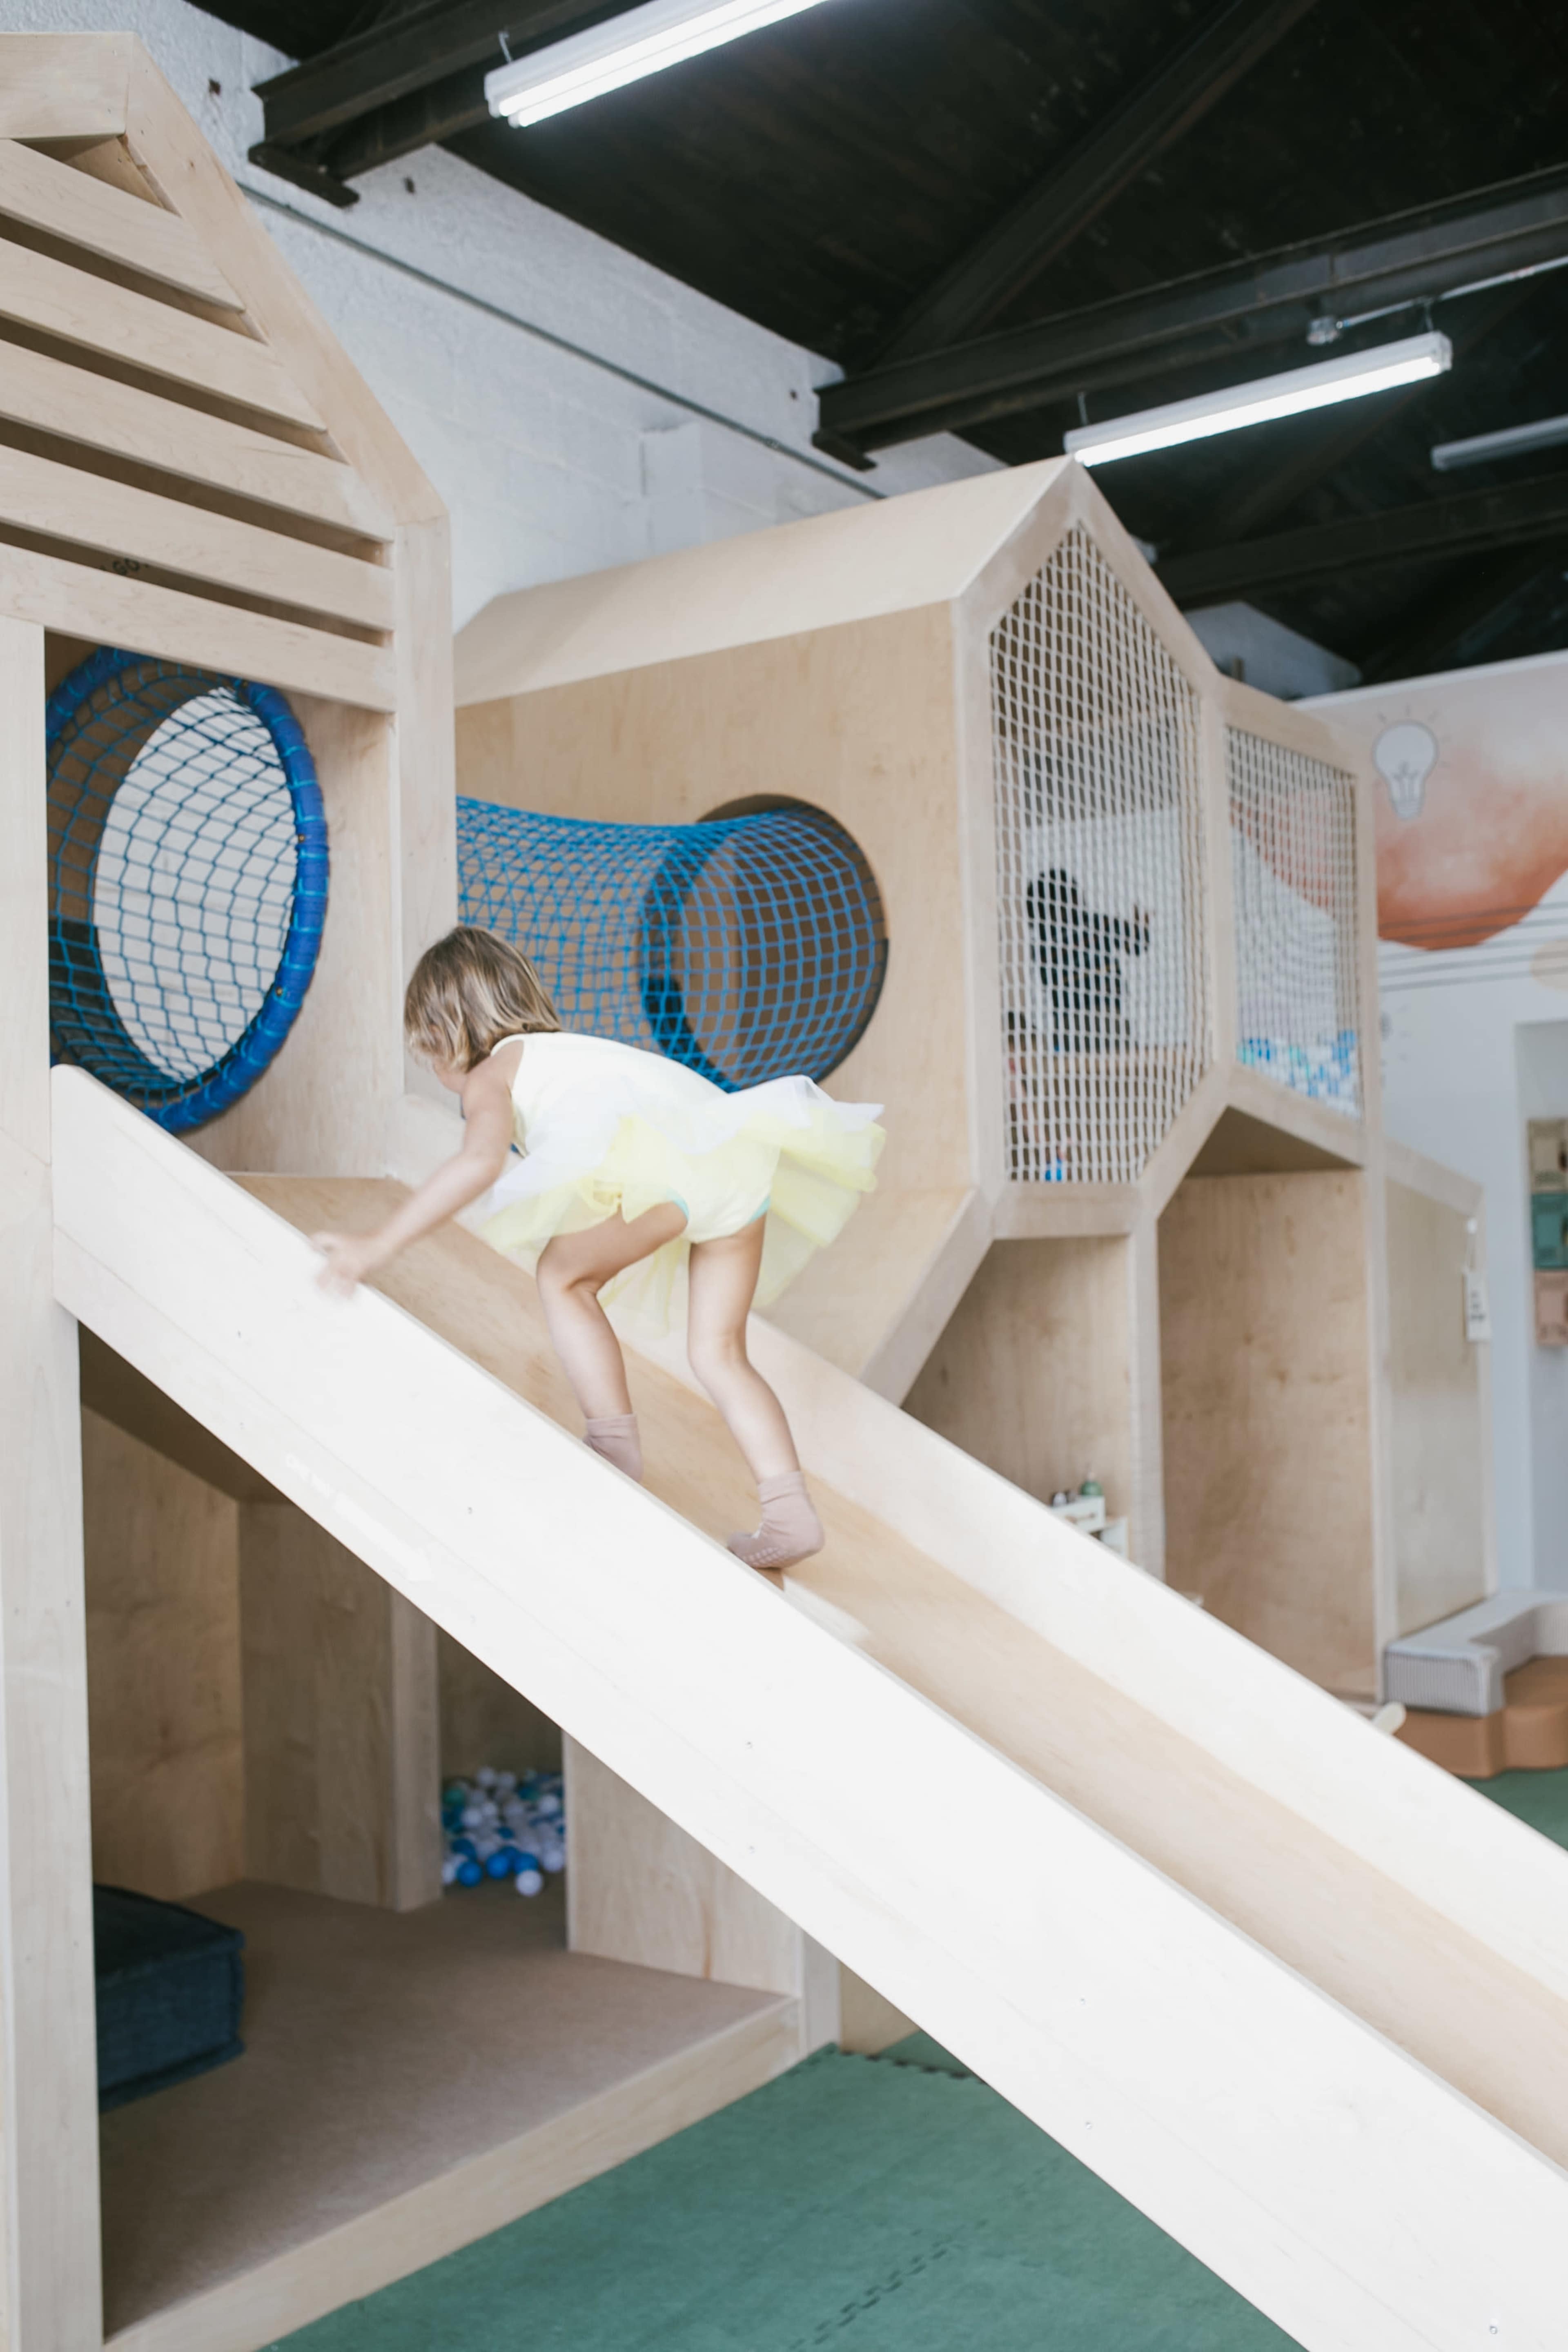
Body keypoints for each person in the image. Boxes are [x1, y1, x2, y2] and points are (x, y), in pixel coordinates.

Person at [311, 926, 883, 1572]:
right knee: (718, 1351)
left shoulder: (491, 1074)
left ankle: (613, 1444)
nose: (442, 1078)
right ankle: (789, 1512)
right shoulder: (566, 1052)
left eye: (430, 1059)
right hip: (740, 1157)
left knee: (562, 1276)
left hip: (674, 1168)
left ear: (444, 1039)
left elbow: (479, 1161)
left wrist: (375, 1246)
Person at [1025, 869, 1150, 1049]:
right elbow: (1137, 945)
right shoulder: (1095, 926)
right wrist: (1141, 928)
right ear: (1074, 898)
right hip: (1104, 1016)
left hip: (1069, 1024)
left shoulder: (1042, 948)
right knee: (1121, 1064)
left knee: (1077, 1071)